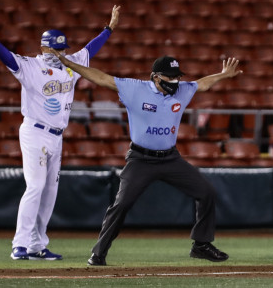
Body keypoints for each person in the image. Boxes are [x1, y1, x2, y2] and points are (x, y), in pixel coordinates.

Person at [48, 49, 242, 266]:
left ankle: (201, 245)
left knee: (206, 192)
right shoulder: (135, 89)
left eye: (178, 77)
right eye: (171, 77)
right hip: (140, 159)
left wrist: (223, 75)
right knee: (121, 205)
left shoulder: (182, 90)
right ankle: (99, 252)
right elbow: (101, 77)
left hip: (170, 158)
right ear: (156, 77)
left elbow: (203, 83)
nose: (176, 81)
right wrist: (68, 63)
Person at [0, 5, 121, 261]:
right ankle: (19, 244)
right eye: (54, 48)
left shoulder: (72, 63)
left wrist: (108, 29)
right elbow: (9, 58)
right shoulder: (31, 66)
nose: (59, 52)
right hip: (35, 131)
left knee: (50, 192)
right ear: (43, 48)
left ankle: (37, 245)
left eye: (62, 48)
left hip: (57, 136)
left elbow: (91, 49)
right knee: (36, 186)